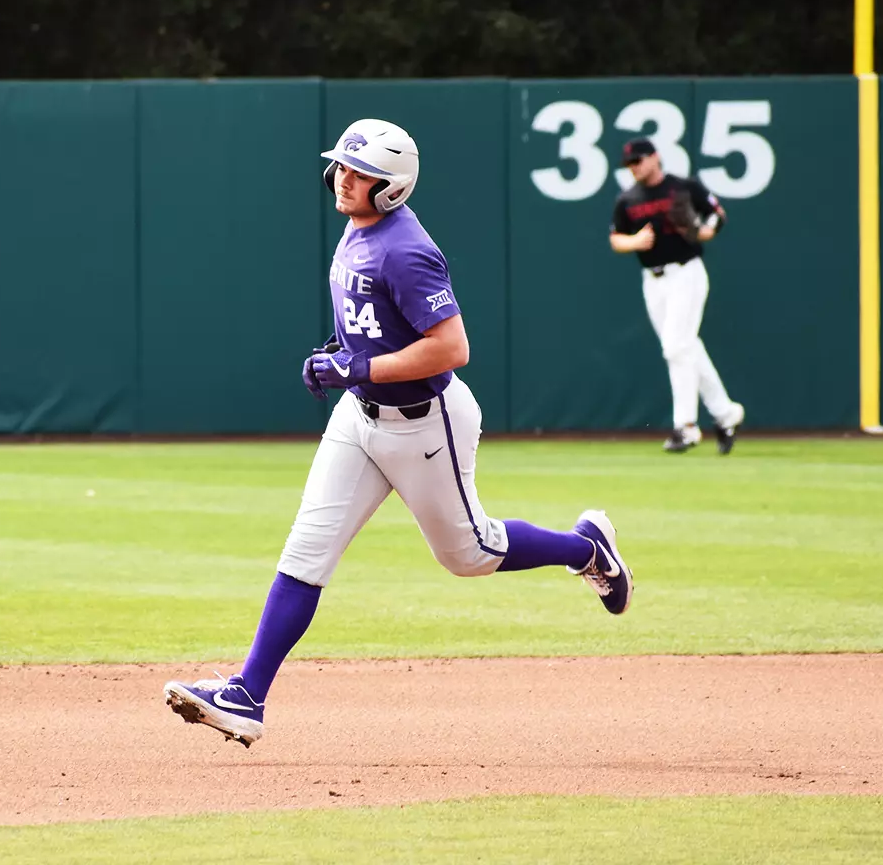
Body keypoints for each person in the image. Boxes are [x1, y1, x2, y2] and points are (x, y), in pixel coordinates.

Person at [162, 119, 634, 749]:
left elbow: (452, 348)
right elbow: (373, 325)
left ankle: (586, 549)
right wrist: (337, 357)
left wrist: (357, 366)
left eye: (361, 172)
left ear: (391, 187)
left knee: (470, 555)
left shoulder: (406, 249)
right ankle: (248, 695)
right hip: (359, 417)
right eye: (342, 165)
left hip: (425, 422)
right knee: (306, 551)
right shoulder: (357, 228)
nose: (344, 178)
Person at [609, 137, 746, 454]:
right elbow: (616, 238)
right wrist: (634, 242)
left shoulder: (682, 188)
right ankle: (726, 413)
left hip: (686, 273)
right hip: (653, 280)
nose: (634, 167)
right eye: (629, 164)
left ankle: (685, 427)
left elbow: (716, 213)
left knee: (675, 347)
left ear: (654, 157)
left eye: (638, 161)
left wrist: (706, 230)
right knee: (685, 347)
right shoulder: (628, 199)